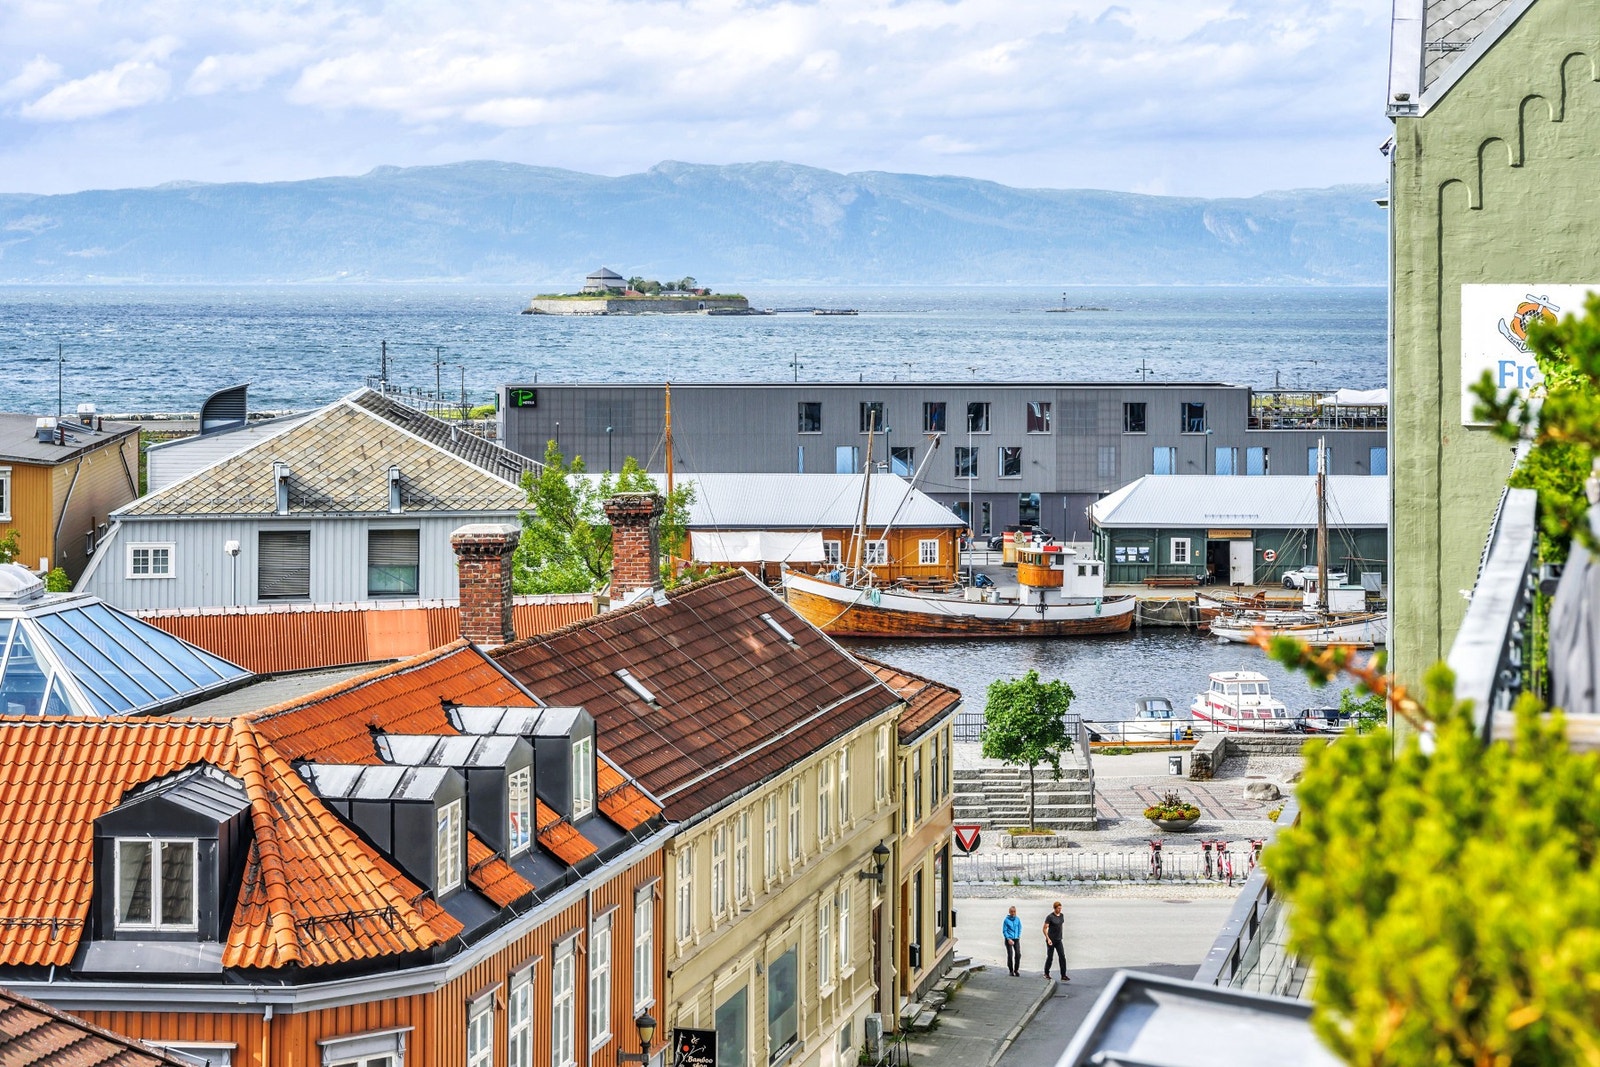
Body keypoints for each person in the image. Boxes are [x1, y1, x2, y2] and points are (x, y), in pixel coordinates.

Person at [1042, 901, 1069, 981]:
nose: (1060, 910)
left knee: (1062, 957)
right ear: (1055, 908)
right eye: (1058, 908)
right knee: (1050, 957)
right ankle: (1046, 973)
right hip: (1051, 940)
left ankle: (1063, 975)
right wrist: (1048, 938)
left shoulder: (1062, 916)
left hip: (1059, 940)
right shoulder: (1050, 917)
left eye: (1060, 908)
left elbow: (1060, 926)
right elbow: (1044, 928)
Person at [1002, 906, 1022, 976]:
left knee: (1018, 954)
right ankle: (1011, 970)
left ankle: (1016, 970)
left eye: (1014, 911)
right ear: (1009, 912)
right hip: (1009, 939)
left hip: (1016, 939)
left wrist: (1018, 936)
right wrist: (1008, 939)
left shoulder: (1018, 919)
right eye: (1012, 912)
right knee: (1010, 955)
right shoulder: (1006, 920)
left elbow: (1020, 928)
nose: (1013, 913)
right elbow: (1004, 931)